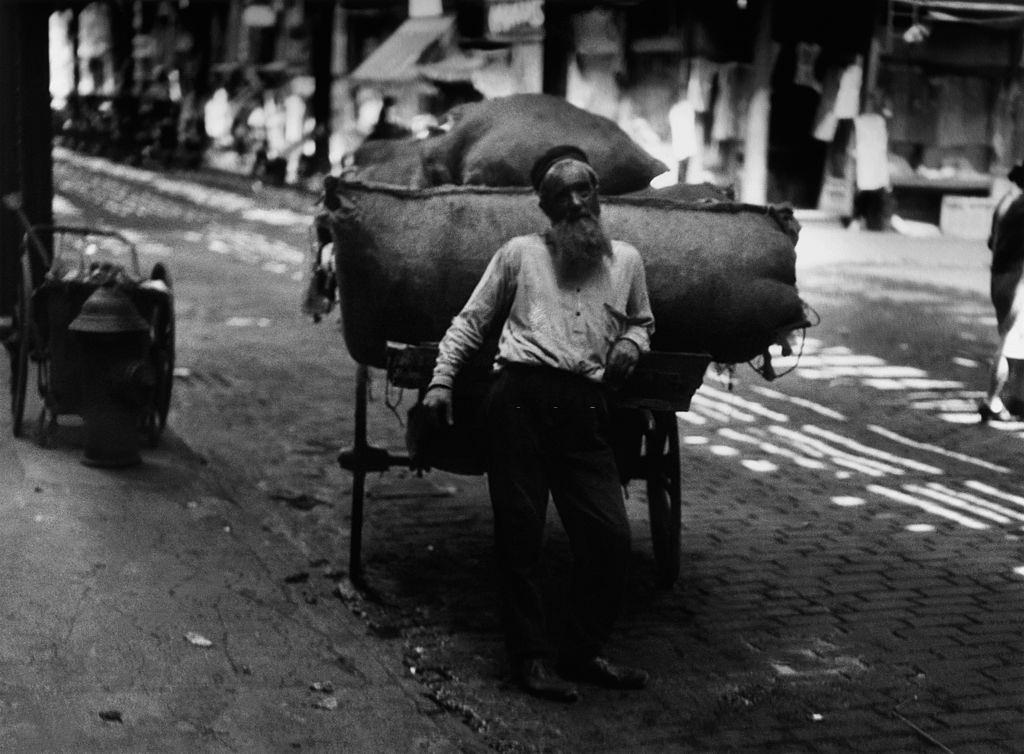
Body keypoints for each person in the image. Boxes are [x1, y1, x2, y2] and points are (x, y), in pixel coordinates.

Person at [422, 145, 655, 702]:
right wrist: (440, 380)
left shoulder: (626, 261)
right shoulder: (518, 254)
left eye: (585, 191)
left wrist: (630, 341)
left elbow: (645, 322)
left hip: (586, 409)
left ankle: (582, 650)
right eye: (562, 195)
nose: (576, 203)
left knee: (609, 537)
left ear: (598, 197)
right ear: (545, 208)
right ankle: (529, 659)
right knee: (519, 535)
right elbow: (472, 320)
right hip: (519, 400)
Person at [980, 163, 1024, 422]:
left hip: (998, 277)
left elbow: (990, 242)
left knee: (1017, 339)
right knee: (1008, 344)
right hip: (1019, 280)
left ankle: (1018, 400)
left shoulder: (1006, 202)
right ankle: (991, 400)